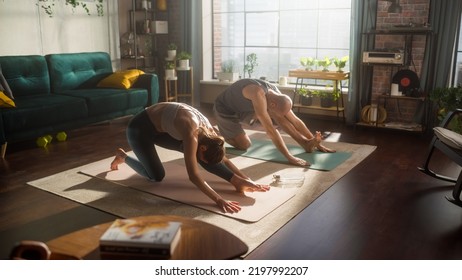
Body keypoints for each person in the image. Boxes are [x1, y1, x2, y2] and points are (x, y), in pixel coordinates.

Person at [110, 102, 269, 213]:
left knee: (203, 157)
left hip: (162, 129)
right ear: (203, 147)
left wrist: (244, 179)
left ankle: (236, 182)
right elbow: (193, 175)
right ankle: (123, 156)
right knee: (156, 176)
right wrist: (219, 200)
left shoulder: (212, 136)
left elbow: (224, 159)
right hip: (140, 129)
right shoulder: (191, 134)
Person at [213, 78, 335, 167]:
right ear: (272, 104)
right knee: (244, 145)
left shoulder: (275, 94)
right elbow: (270, 130)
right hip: (226, 109)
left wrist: (315, 142)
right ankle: (217, 131)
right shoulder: (257, 94)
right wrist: (289, 157)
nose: (280, 117)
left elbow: (295, 121)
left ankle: (305, 144)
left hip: (244, 109)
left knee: (280, 117)